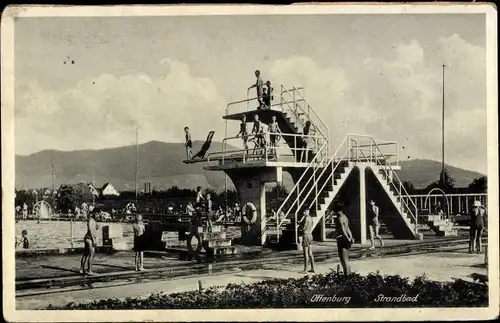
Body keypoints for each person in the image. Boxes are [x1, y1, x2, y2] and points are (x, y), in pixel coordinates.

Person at [334, 203, 354, 276]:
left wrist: (347, 238)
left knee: (343, 259)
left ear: (336, 210)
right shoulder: (345, 217)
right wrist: (350, 237)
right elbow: (348, 228)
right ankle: (349, 274)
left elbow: (343, 229)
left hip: (342, 238)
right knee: (347, 259)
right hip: (347, 239)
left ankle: (346, 276)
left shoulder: (339, 218)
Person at [80, 210, 98, 275]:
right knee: (91, 254)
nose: (98, 215)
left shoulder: (93, 221)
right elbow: (90, 230)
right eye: (97, 214)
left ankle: (82, 269)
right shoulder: (91, 220)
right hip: (90, 238)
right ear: (94, 214)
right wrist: (94, 240)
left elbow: (94, 229)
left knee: (85, 254)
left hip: (88, 238)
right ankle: (89, 270)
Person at [300, 209, 315, 273]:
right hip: (310, 235)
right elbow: (310, 225)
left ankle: (305, 270)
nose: (304, 212)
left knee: (305, 253)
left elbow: (304, 227)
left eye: (305, 211)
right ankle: (312, 268)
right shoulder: (311, 218)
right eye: (303, 211)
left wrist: (300, 227)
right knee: (310, 253)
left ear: (308, 212)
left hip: (305, 235)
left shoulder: (306, 218)